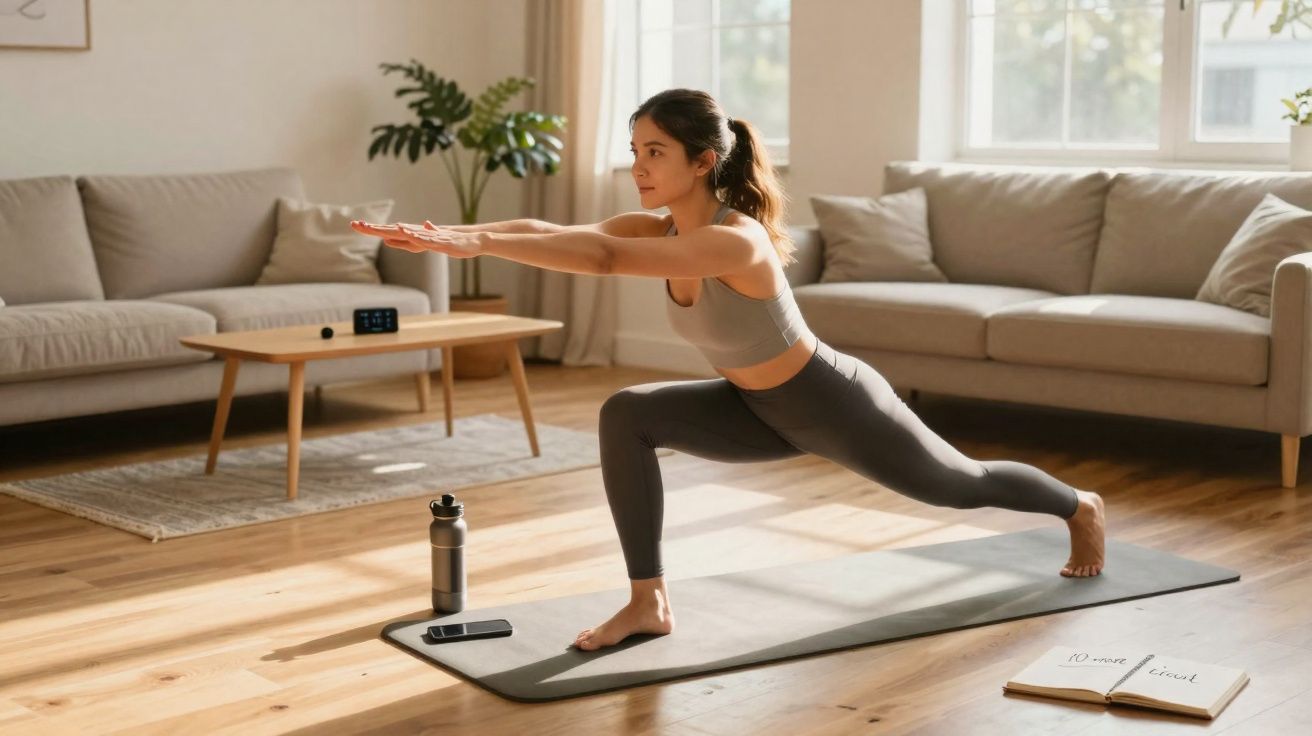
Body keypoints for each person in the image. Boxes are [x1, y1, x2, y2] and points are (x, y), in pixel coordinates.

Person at [351, 88, 1107, 653]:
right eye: (636, 148)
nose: (638, 165)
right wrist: (452, 234)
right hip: (755, 408)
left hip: (833, 404)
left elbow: (604, 259)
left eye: (655, 152)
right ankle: (648, 602)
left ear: (703, 161)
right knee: (627, 412)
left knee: (960, 487)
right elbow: (559, 233)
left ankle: (1080, 508)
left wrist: (475, 247)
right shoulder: (659, 225)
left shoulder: (733, 241)